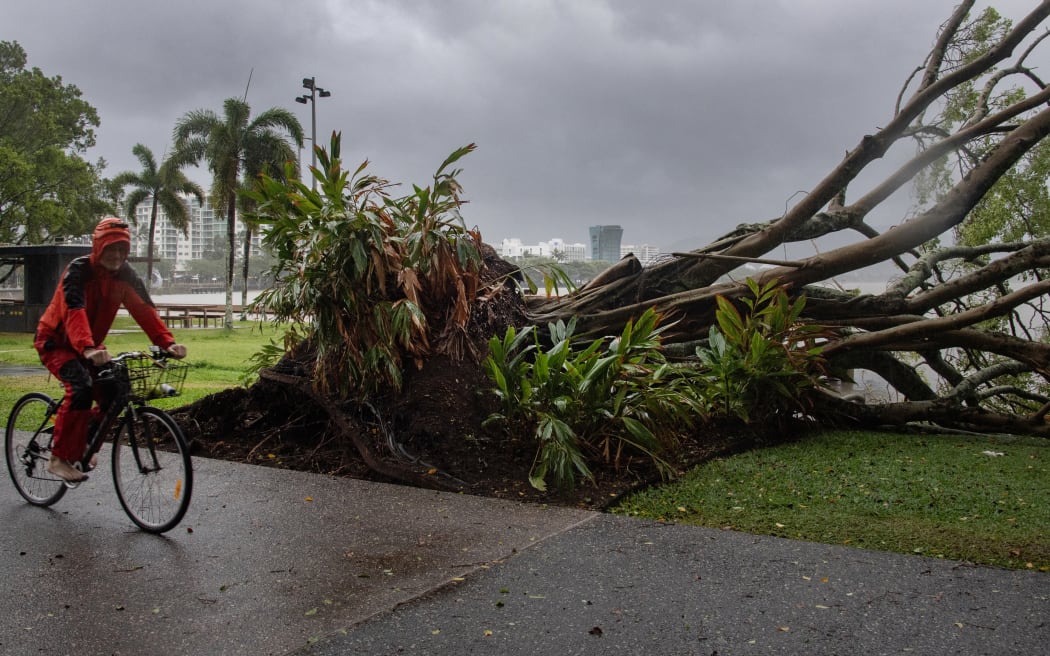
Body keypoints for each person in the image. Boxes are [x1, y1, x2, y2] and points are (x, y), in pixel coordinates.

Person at [34, 217, 187, 482]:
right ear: (98, 247)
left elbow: (144, 309)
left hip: (90, 345)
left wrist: (167, 343)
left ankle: (84, 442)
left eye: (122, 250)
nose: (116, 255)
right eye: (111, 248)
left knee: (116, 390)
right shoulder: (78, 271)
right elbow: (74, 311)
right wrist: (88, 348)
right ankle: (58, 458)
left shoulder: (125, 275)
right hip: (56, 342)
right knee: (80, 387)